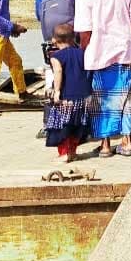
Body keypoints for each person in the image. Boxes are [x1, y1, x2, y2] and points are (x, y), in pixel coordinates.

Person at [73, 0, 131, 158]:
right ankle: (127, 141)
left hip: (97, 52)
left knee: (100, 98)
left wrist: (84, 51)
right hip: (124, 49)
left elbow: (84, 31)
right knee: (125, 96)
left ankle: (104, 145)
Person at [44, 23, 91, 163]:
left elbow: (58, 72)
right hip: (84, 97)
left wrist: (57, 91)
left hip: (67, 97)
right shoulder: (82, 53)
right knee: (77, 125)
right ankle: (73, 152)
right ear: (73, 38)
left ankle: (64, 154)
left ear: (54, 40)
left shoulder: (56, 56)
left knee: (62, 125)